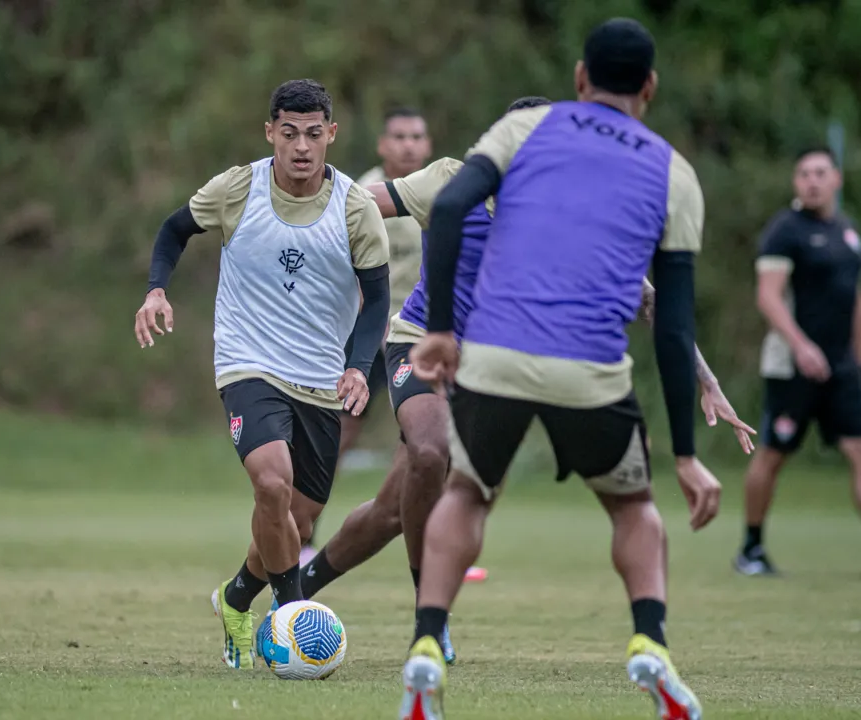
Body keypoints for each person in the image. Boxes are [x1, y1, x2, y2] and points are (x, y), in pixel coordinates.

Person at [301, 98, 754, 672]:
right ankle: (428, 620)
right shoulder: (450, 179)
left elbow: (649, 301)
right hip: (420, 339)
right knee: (431, 452)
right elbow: (356, 208)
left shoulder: (565, 210)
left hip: (491, 370)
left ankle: (295, 589)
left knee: (392, 511)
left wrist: (708, 383)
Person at [399, 19, 719, 720]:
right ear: (651, 88)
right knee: (633, 506)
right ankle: (651, 641)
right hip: (592, 371)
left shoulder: (526, 132)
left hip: (497, 357)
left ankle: (426, 643)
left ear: (579, 79)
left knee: (468, 493)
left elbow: (450, 204)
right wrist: (688, 456)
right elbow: (672, 322)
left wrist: (444, 332)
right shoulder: (676, 174)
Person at [134, 79, 390, 671]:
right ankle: (292, 622)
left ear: (331, 135)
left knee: (294, 523)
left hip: (320, 378)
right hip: (247, 364)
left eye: (313, 133)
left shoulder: (354, 207)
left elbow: (376, 300)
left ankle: (235, 598)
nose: (301, 146)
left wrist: (356, 366)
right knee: (270, 486)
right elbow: (175, 230)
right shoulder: (238, 187)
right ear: (270, 132)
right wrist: (155, 291)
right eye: (289, 133)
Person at [300, 106, 433, 561]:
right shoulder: (362, 194)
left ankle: (442, 542)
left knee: (437, 437)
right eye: (399, 136)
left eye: (417, 136)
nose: (408, 144)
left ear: (428, 145)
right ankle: (303, 537)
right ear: (382, 145)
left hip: (420, 336)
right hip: (367, 335)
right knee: (339, 432)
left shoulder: (442, 194)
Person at [735, 147, 861, 577]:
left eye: (820, 173)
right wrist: (802, 345)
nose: (812, 181)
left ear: (836, 180)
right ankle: (751, 549)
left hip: (842, 368)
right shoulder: (785, 231)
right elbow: (768, 296)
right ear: (795, 182)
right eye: (804, 173)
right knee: (773, 453)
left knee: (858, 451)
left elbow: (854, 299)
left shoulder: (848, 233)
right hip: (792, 365)